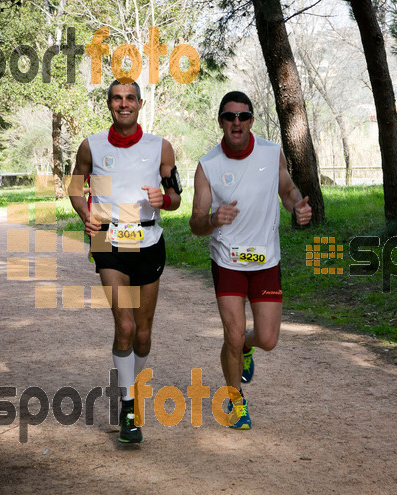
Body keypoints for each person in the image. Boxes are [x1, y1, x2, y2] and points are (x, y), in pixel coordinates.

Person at [189, 91, 312, 430]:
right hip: (227, 261)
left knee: (268, 339)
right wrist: (213, 219)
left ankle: (247, 346)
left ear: (252, 120)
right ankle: (236, 400)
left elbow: (287, 191)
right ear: (221, 122)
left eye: (243, 116)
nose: (237, 122)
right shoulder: (208, 165)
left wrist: (298, 207)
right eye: (230, 117)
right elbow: (196, 221)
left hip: (265, 261)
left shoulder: (272, 154)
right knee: (232, 333)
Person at [69, 80, 182, 444]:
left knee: (144, 334)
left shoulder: (160, 147)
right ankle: (128, 407)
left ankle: (132, 386)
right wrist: (84, 213)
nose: (123, 104)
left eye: (130, 98)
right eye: (117, 98)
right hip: (107, 237)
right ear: (108, 104)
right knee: (126, 325)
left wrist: (164, 200)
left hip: (148, 238)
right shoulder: (91, 145)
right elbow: (74, 186)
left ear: (140, 103)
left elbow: (176, 197)